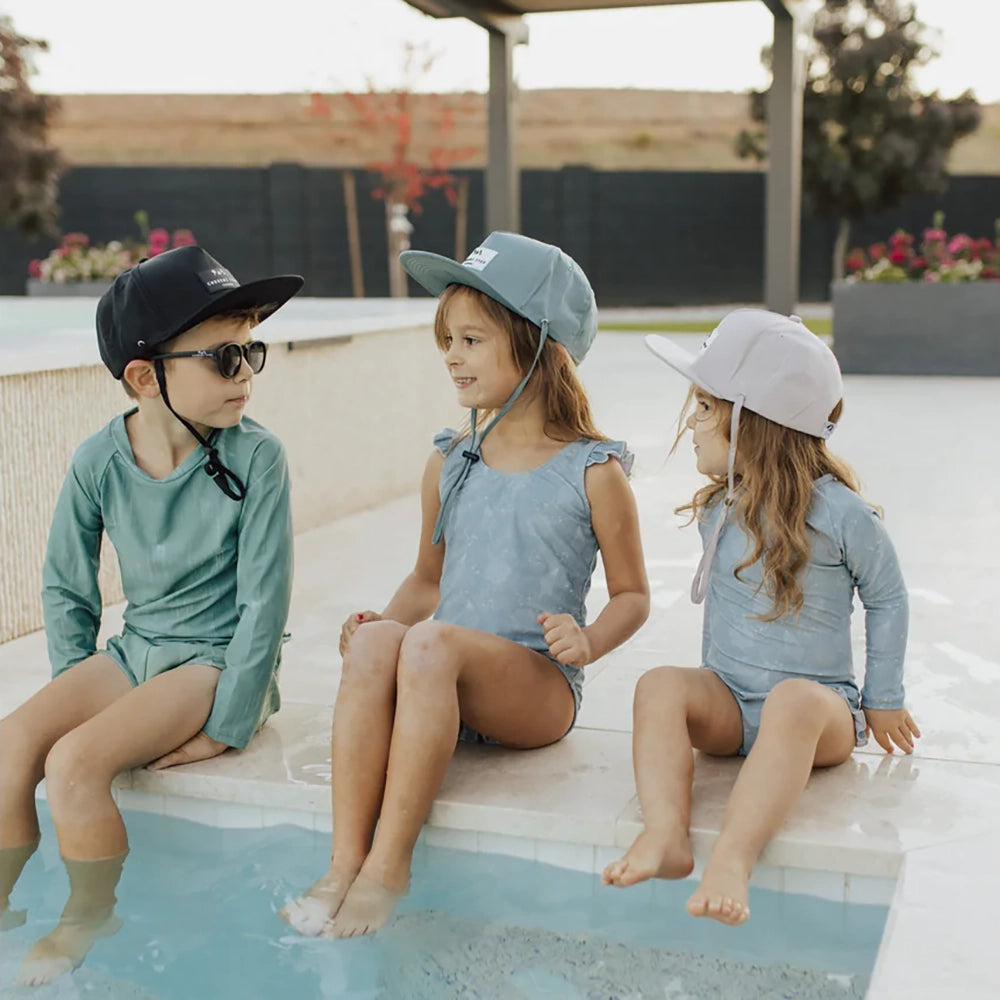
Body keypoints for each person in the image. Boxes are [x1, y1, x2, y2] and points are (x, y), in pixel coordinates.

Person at [282, 231, 650, 939]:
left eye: (472, 339)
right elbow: (429, 578)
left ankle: (389, 866)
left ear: (541, 345)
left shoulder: (592, 471)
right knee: (387, 642)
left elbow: (633, 594)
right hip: (438, 675)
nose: (451, 354)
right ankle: (343, 861)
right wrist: (376, 630)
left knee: (428, 643)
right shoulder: (452, 461)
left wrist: (590, 640)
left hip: (536, 692)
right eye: (447, 339)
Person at [0, 245, 301, 984]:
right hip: (139, 649)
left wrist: (228, 724)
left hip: (213, 660)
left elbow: (265, 605)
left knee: (74, 766)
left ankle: (88, 915)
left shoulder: (258, 459)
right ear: (144, 377)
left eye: (251, 352)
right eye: (225, 358)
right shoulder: (98, 460)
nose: (246, 377)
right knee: (12, 742)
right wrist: (81, 693)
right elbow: (68, 588)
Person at [602, 309, 920, 925]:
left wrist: (884, 695)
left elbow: (889, 596)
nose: (691, 426)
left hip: (817, 713)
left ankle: (733, 856)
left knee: (793, 703)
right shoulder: (721, 506)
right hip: (729, 703)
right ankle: (665, 834)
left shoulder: (840, 513)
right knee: (659, 684)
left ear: (754, 424)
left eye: (704, 409)